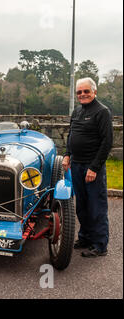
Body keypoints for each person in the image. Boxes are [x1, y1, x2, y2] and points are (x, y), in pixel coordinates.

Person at [62, 77, 113, 257]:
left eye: (86, 91)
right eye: (79, 92)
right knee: (81, 205)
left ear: (94, 91)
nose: (82, 95)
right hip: (76, 165)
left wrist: (94, 167)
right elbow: (71, 135)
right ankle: (85, 237)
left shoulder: (102, 112)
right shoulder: (76, 112)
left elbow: (107, 142)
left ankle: (99, 245)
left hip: (92, 168)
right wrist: (67, 154)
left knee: (96, 206)